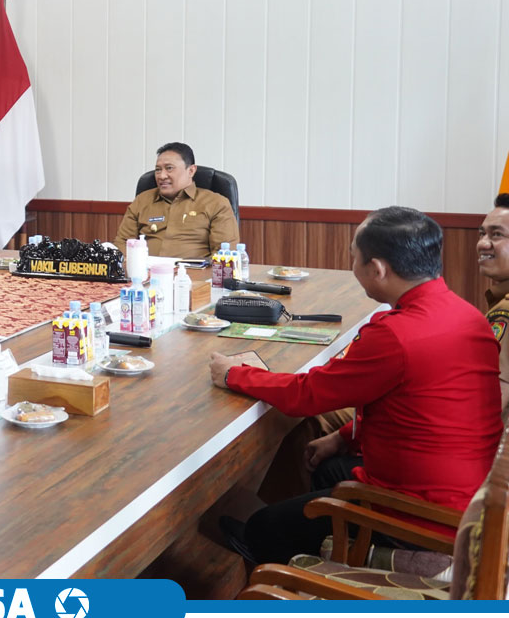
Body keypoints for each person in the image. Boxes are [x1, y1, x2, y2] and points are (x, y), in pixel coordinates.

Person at [209, 206, 502, 566]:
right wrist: (344, 436)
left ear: (377, 268)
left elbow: (306, 395)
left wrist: (233, 373)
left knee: (262, 528)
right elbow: (419, 406)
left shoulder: (395, 335)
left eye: (354, 257)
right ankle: (323, 544)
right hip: (470, 495)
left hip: (423, 514)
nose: (353, 266)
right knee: (327, 468)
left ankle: (294, 577)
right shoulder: (468, 315)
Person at [115, 142, 238, 258]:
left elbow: (224, 254)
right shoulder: (142, 201)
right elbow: (122, 243)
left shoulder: (216, 203)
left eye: (169, 168)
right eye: (158, 170)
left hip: (192, 273)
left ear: (191, 171)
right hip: (144, 271)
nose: (162, 176)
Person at [478, 194, 509, 421]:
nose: (482, 243)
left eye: (496, 234)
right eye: (482, 234)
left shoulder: (505, 313)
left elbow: (493, 400)